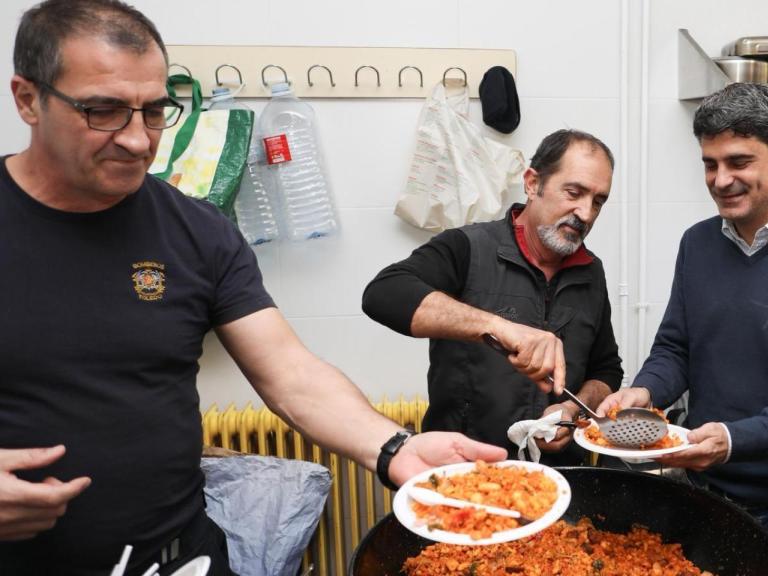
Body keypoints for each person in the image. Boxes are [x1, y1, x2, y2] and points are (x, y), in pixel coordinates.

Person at [0, 2, 506, 575]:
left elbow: (290, 374)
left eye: (155, 111)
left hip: (178, 560)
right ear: (27, 99)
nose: (140, 141)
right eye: (105, 111)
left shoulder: (198, 232)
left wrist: (395, 447)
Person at [597, 83, 768, 576]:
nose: (721, 179)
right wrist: (644, 391)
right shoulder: (698, 243)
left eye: (738, 161)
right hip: (708, 493)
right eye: (710, 164)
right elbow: (676, 346)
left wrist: (733, 440)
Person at [363, 129, 623, 465]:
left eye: (598, 201)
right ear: (532, 183)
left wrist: (573, 411)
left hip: (561, 478)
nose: (586, 213)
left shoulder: (590, 271)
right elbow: (383, 293)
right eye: (574, 193)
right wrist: (497, 326)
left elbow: (607, 370)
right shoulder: (467, 247)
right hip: (463, 474)